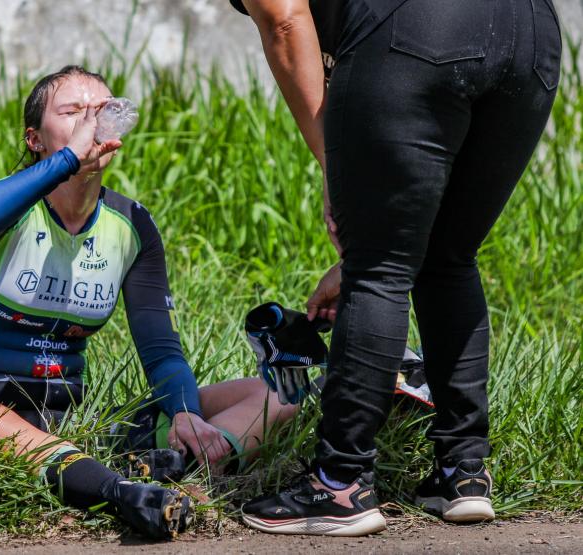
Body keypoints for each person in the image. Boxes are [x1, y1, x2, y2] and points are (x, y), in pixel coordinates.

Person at [229, 0, 562, 536]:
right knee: (447, 258)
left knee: (378, 269)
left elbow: (285, 17)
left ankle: (340, 484)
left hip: (421, 29)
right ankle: (464, 472)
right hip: (530, 33)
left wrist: (336, 160)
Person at [0, 65, 299, 540]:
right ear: (34, 138)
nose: (90, 121)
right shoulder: (9, 208)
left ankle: (174, 466)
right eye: (71, 112)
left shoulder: (130, 224)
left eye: (101, 110)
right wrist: (66, 160)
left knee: (279, 394)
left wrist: (185, 411)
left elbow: (161, 349)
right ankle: (121, 493)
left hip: (77, 418)